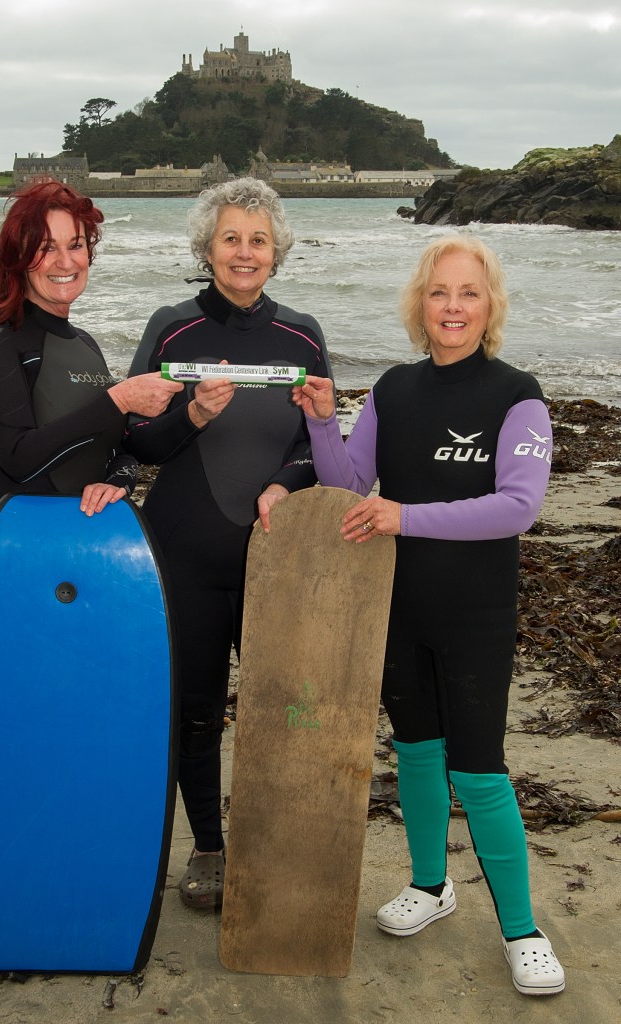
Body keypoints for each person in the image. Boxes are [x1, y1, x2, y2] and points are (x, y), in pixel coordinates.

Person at [292, 235, 565, 996]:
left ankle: (521, 928)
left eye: (468, 293)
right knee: (415, 750)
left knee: (479, 770)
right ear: (421, 304)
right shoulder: (393, 388)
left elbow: (519, 507)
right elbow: (352, 487)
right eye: (439, 292)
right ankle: (429, 884)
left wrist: (404, 517)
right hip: (398, 606)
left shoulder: (518, 393)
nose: (453, 306)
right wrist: (321, 422)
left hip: (475, 611)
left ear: (490, 306)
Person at [124, 177, 333, 909]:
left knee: (287, 705)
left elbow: (320, 447)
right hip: (185, 551)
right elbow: (138, 441)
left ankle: (275, 840)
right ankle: (209, 848)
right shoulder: (172, 328)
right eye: (231, 238)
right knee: (196, 709)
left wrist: (284, 484)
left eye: (258, 239)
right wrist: (194, 420)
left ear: (277, 251)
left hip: (276, 556)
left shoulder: (303, 334)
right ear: (207, 248)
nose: (244, 252)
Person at [0, 180, 182, 557]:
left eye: (75, 245)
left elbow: (116, 448)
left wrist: (119, 481)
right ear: (19, 256)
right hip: (10, 536)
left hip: (82, 534)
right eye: (46, 248)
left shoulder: (84, 343)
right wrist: (119, 398)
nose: (65, 262)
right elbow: (18, 459)